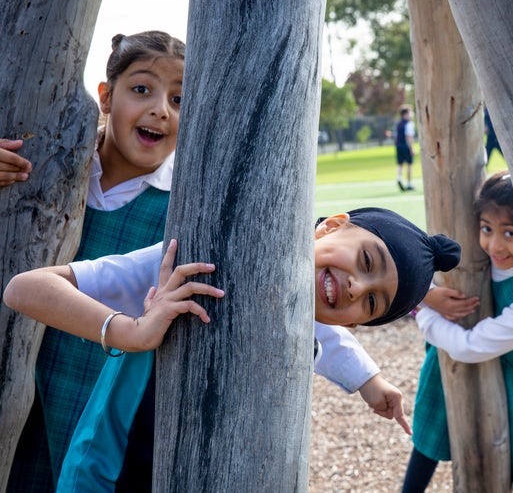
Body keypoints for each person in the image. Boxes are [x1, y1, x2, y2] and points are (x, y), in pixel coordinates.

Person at [4, 207, 461, 491]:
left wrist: (372, 382)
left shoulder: (307, 311)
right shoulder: (194, 264)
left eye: (370, 303)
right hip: (111, 475)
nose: (355, 287)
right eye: (365, 260)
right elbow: (25, 288)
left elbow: (324, 333)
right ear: (332, 224)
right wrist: (131, 331)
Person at [3, 30, 185, 492]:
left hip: (99, 407)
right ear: (105, 97)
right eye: (141, 89)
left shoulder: (184, 208)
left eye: (180, 99)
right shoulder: (46, 166)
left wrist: (362, 376)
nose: (160, 109)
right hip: (14, 388)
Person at [402, 172, 513, 493]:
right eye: (486, 228)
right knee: (429, 433)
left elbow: (468, 346)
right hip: (452, 361)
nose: (494, 245)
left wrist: (424, 314)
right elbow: (422, 270)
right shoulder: (477, 256)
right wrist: (428, 296)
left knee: (509, 458)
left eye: (510, 233)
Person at [394, 105, 416, 191]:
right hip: (405, 145)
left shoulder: (398, 123)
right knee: (409, 165)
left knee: (400, 164)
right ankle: (409, 183)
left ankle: (398, 178)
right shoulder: (409, 123)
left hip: (398, 145)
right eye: (410, 112)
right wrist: (412, 148)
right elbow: (408, 137)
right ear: (405, 114)